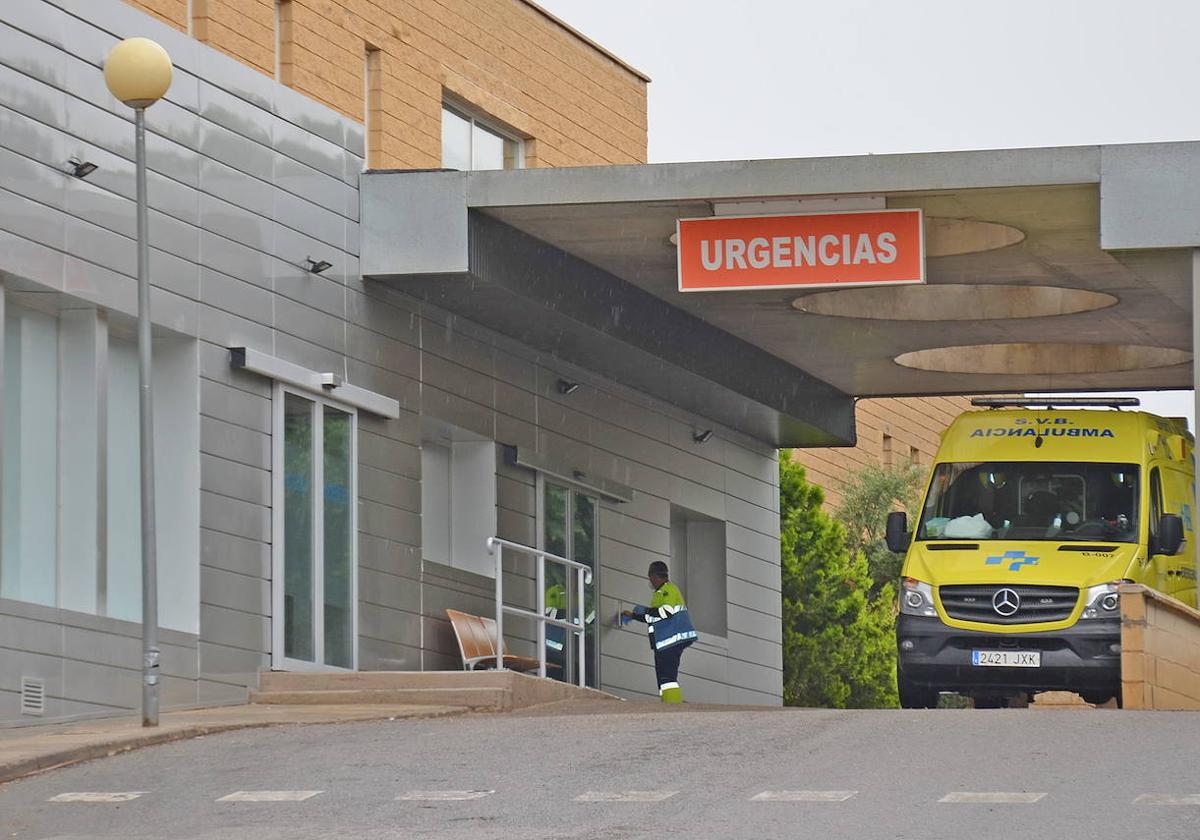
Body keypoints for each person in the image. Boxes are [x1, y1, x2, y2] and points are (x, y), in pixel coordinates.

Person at [621, 561, 697, 703]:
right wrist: (635, 615)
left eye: (650, 577)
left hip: (671, 640)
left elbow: (665, 612)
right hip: (663, 642)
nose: (650, 581)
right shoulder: (661, 592)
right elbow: (654, 616)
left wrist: (643, 611)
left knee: (667, 678)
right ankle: (668, 702)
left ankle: (673, 705)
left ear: (655, 576)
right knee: (663, 677)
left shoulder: (667, 590)